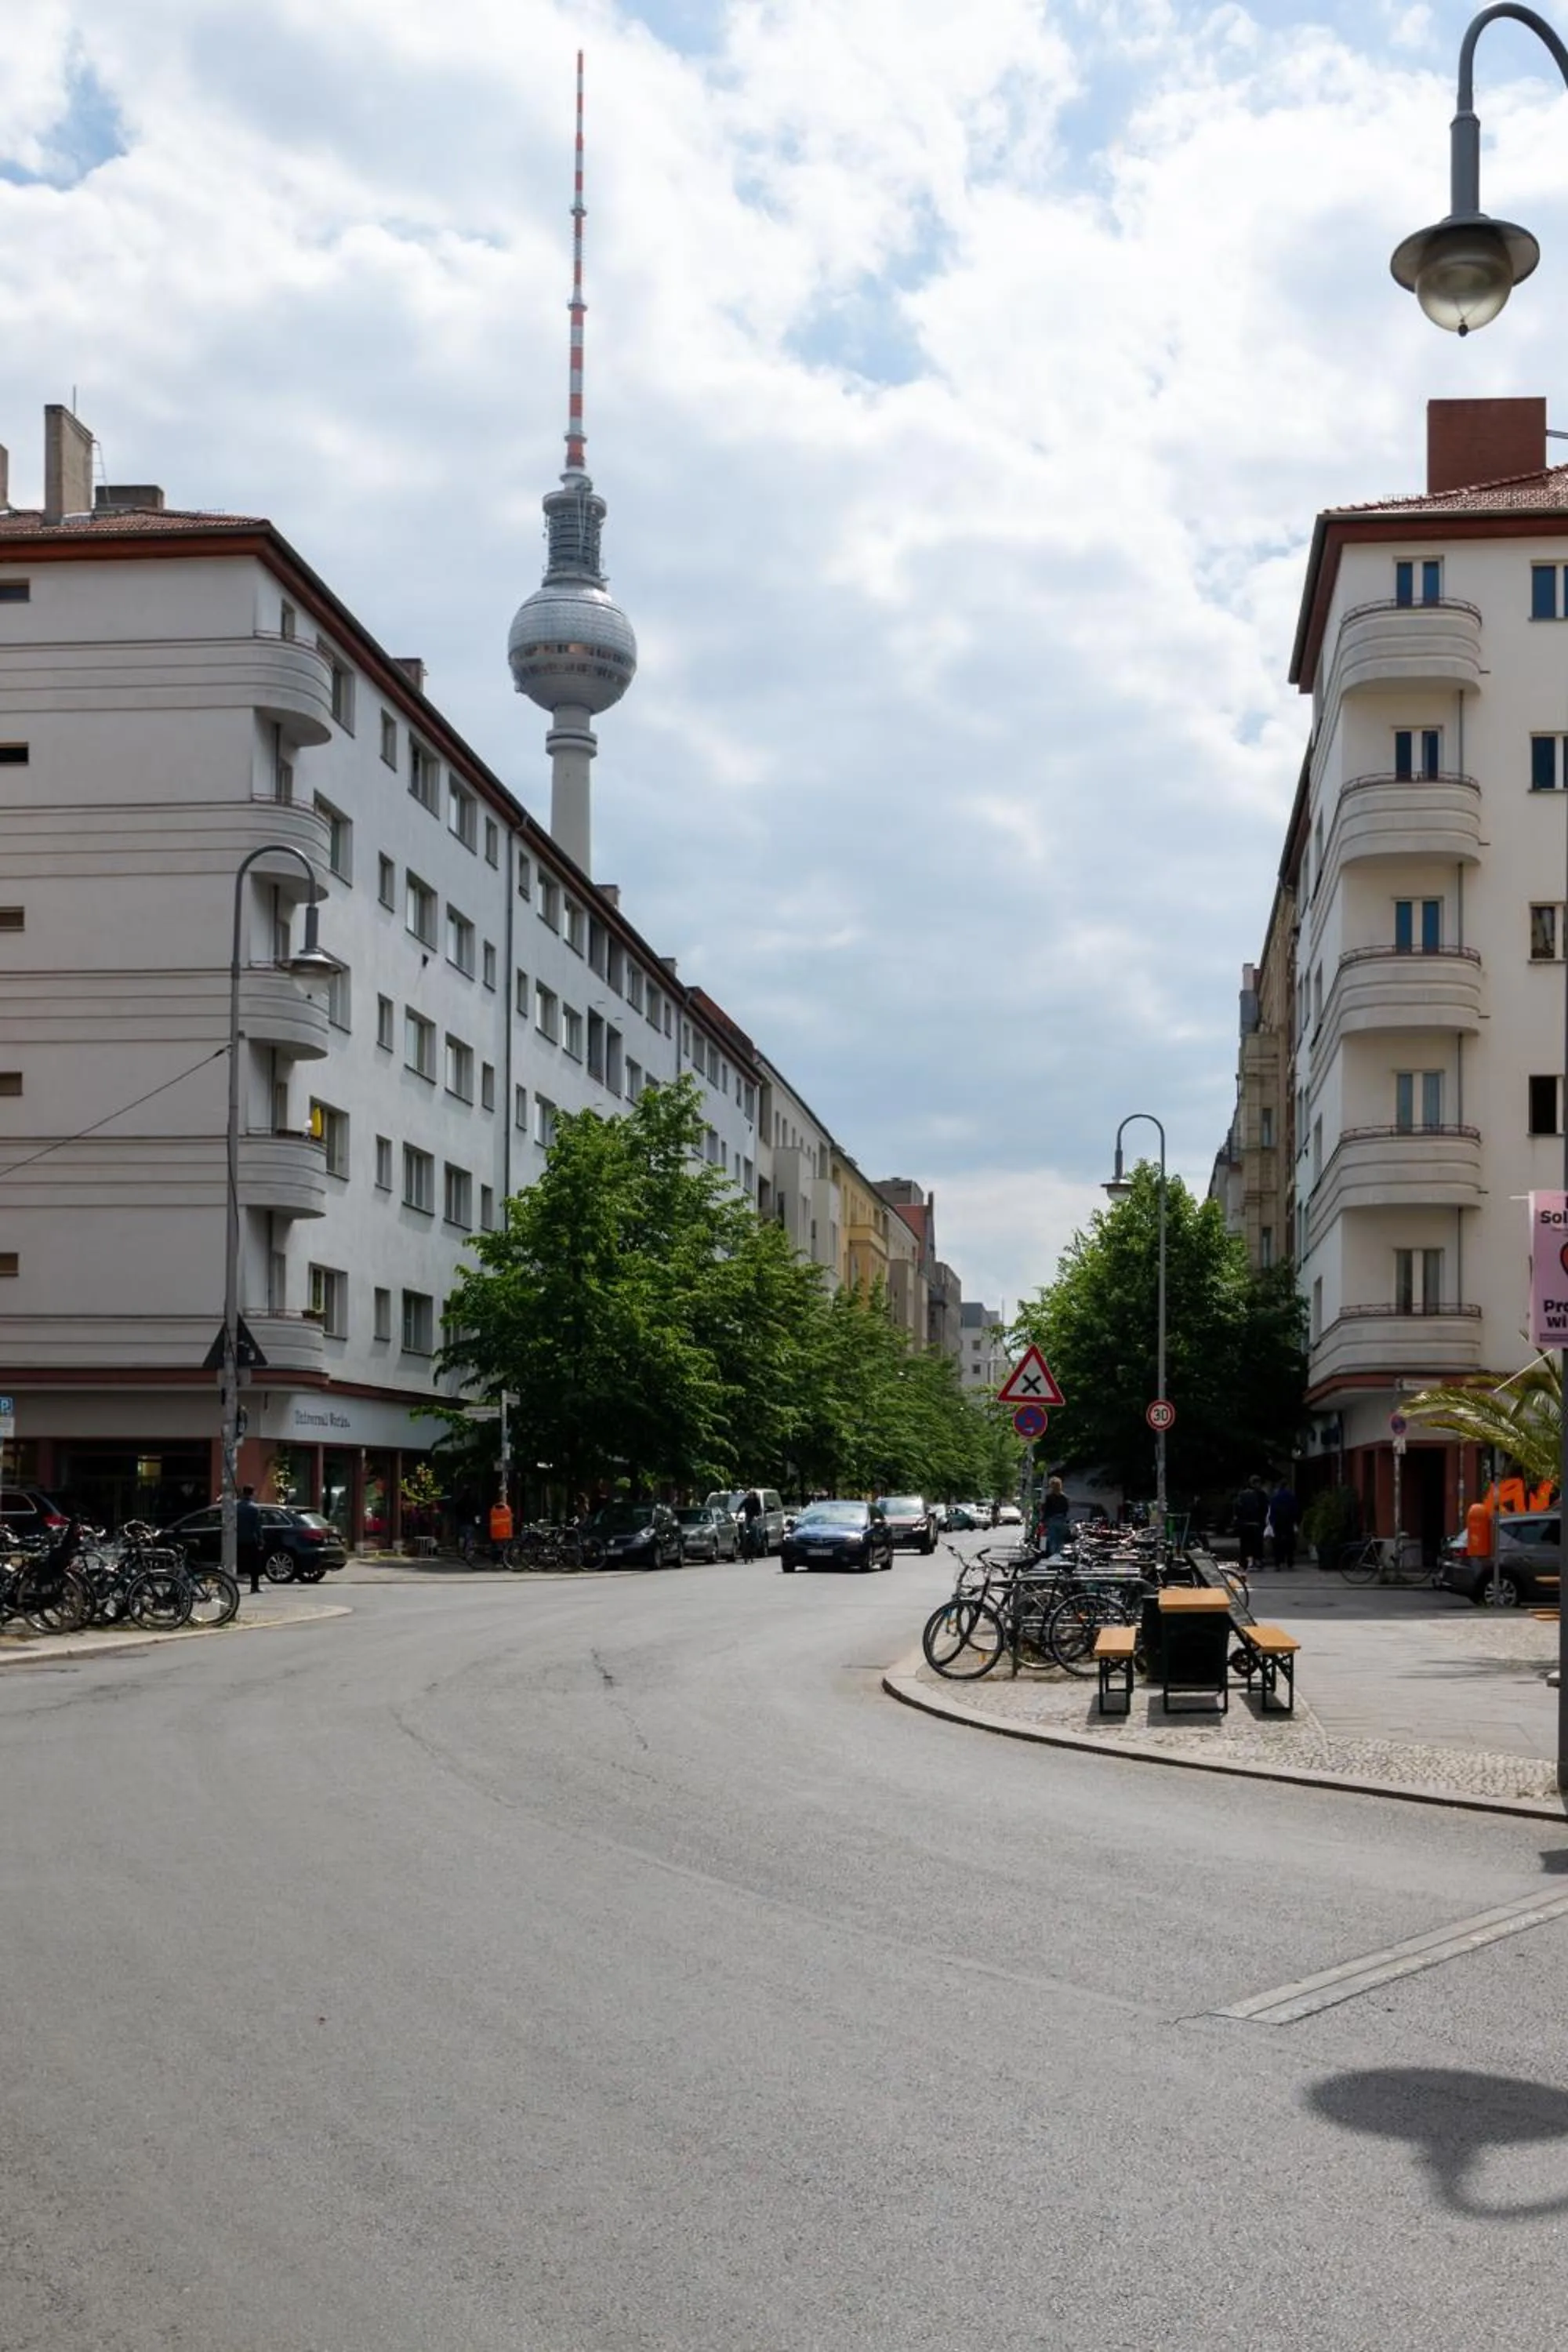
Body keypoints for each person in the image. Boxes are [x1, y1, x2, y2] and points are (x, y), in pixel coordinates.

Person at [1232, 1475, 1268, 1574]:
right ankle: (1257, 1561)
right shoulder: (1261, 1495)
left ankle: (1244, 1562)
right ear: (1257, 1483)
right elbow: (1264, 1509)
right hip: (1256, 1524)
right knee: (1256, 1544)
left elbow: (1237, 1509)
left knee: (1245, 1544)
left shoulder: (1242, 1495)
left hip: (1244, 1524)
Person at [236, 1483, 263, 1595]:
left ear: (243, 1493)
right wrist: (261, 1540)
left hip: (237, 1539)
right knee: (254, 1564)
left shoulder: (236, 1507)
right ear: (252, 1493)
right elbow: (258, 1526)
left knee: (236, 1563)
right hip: (251, 1539)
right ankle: (254, 1587)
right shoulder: (254, 1508)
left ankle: (230, 1587)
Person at [1269, 1477, 1299, 1572]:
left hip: (1278, 1522)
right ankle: (1290, 1562)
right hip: (1288, 1522)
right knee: (1289, 1542)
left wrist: (1272, 1522)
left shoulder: (1275, 1497)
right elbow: (1295, 1510)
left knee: (1277, 1543)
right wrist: (1295, 1521)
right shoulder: (1291, 1497)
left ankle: (1278, 1563)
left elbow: (1272, 1511)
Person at [1040, 1475, 1070, 1558]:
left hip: (1052, 1520)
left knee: (1052, 1539)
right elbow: (1066, 1509)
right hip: (1061, 1520)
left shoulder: (1049, 1497)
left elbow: (1046, 1510)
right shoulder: (1064, 1497)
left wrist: (1043, 1520)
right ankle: (1058, 1554)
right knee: (1060, 1539)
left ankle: (1053, 1555)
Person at [738, 1488, 764, 1559]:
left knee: (755, 1529)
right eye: (749, 1495)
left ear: (754, 1495)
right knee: (744, 1531)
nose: (750, 1496)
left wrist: (758, 1516)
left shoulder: (756, 1501)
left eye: (751, 1495)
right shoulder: (746, 1500)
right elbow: (740, 1506)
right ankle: (744, 1546)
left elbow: (759, 1510)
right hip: (748, 1516)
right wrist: (738, 1513)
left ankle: (756, 1543)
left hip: (754, 1517)